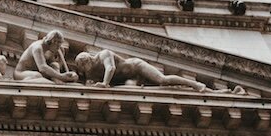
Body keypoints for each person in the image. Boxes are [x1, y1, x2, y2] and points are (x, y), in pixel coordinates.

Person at [72, 48, 239, 92]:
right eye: (82, 68)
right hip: (129, 81)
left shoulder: (103, 54)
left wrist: (104, 84)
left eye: (83, 65)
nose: (84, 69)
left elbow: (111, 68)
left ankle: (195, 85)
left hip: (136, 68)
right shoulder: (90, 70)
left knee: (162, 80)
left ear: (87, 59)